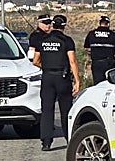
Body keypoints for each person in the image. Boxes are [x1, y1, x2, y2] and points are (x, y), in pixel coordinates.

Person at [33, 14, 80, 151]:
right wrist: (77, 81)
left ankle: (46, 142)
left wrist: (46, 67)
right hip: (62, 77)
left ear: (53, 25)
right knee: (66, 110)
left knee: (47, 110)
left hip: (47, 77)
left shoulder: (42, 40)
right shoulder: (67, 41)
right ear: (64, 26)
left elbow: (35, 61)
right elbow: (72, 61)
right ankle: (69, 138)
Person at [83, 14, 115, 84]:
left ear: (99, 23)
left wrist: (95, 50)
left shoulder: (91, 34)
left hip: (96, 63)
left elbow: (86, 48)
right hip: (109, 63)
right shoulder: (113, 35)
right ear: (108, 24)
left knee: (98, 83)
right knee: (110, 83)